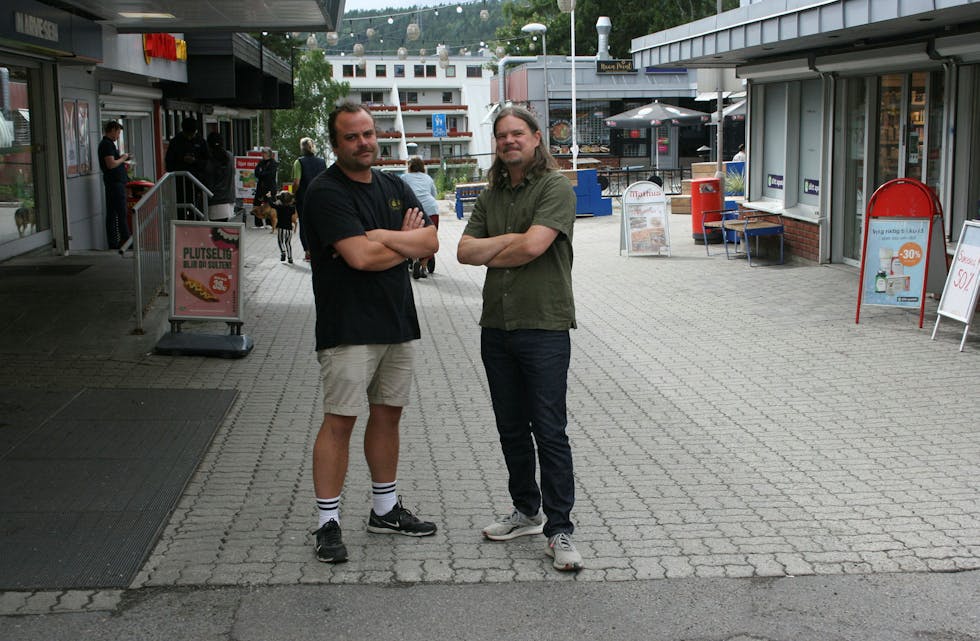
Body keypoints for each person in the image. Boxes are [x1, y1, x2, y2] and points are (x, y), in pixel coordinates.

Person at [302, 100, 440, 564]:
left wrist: (379, 237)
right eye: (352, 137)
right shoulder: (325, 192)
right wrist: (401, 241)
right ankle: (327, 522)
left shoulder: (394, 184)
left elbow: (430, 241)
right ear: (335, 143)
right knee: (340, 421)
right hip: (347, 326)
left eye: (368, 134)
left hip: (396, 321)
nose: (363, 143)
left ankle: (384, 510)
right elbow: (360, 258)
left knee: (387, 416)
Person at [456, 106, 582, 572]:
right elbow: (464, 251)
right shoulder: (491, 194)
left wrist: (501, 246)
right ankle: (527, 511)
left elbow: (534, 246)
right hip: (497, 326)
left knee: (549, 431)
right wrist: (516, 242)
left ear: (535, 138)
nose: (509, 141)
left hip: (543, 326)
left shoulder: (555, 187)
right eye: (502, 135)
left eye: (517, 133)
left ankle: (560, 529)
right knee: (511, 428)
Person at [399, 157, 440, 279]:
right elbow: (434, 194)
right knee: (429, 238)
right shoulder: (428, 178)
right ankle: (423, 267)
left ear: (410, 167)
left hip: (414, 210)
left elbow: (399, 194)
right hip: (431, 209)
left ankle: (414, 260)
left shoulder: (404, 177)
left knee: (412, 237)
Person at [164, 117, 208, 218]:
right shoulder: (175, 142)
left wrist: (195, 161)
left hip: (197, 183)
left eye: (192, 134)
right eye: (187, 134)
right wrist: (182, 160)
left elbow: (207, 162)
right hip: (179, 184)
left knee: (196, 210)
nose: (189, 137)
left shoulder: (201, 142)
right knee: (180, 210)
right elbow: (169, 162)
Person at [292, 137, 327, 261]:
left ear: (302, 148)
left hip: (303, 198)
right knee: (318, 224)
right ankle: (320, 250)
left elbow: (296, 182)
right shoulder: (322, 162)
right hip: (319, 198)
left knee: (304, 225)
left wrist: (293, 193)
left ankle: (308, 252)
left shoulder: (299, 162)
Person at [98, 121, 131, 250]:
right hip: (115, 183)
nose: (118, 136)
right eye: (118, 132)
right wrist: (123, 158)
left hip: (113, 182)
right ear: (112, 130)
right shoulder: (107, 144)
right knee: (121, 213)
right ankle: (126, 240)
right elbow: (111, 164)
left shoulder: (107, 144)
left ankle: (114, 242)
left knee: (112, 213)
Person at [204, 132, 236, 223]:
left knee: (215, 228)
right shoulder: (230, 156)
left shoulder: (210, 161)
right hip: (229, 199)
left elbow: (208, 180)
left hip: (215, 201)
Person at [252, 148, 278, 228]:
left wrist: (262, 173)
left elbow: (270, 175)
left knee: (269, 204)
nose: (262, 155)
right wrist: (262, 174)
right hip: (260, 186)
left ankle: (269, 223)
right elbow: (256, 173)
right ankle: (258, 224)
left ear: (268, 154)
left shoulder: (273, 163)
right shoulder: (261, 162)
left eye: (264, 153)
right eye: (262, 153)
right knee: (256, 203)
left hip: (270, 187)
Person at [273, 190, 297, 263]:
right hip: (289, 229)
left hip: (281, 228)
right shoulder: (292, 208)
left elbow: (272, 204)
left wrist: (269, 197)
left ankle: (283, 252)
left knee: (280, 241)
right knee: (288, 243)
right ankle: (290, 258)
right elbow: (294, 202)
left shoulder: (279, 207)